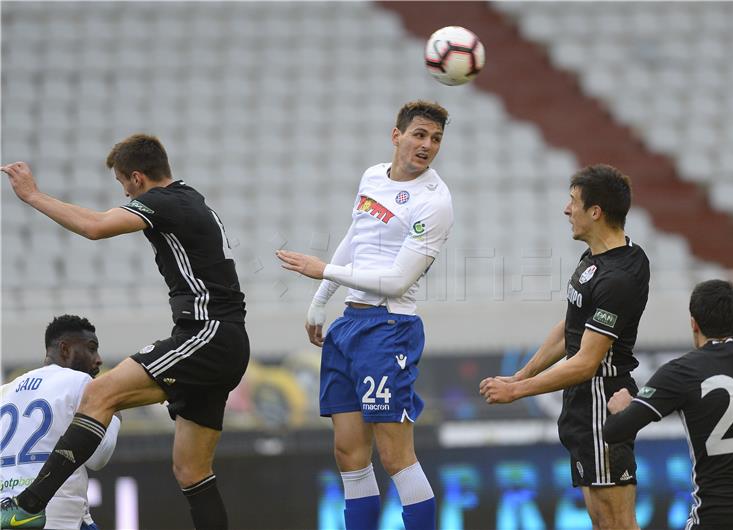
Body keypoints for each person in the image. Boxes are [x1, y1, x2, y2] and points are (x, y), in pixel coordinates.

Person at [1, 134, 249, 530]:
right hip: (224, 340)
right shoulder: (191, 199)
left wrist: (33, 196)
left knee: (98, 393)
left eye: (122, 184)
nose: (124, 193)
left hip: (206, 334)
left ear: (136, 178)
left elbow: (95, 226)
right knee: (191, 470)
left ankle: (27, 506)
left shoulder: (165, 201)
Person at [276, 100, 453, 530]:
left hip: (389, 328)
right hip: (348, 326)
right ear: (397, 136)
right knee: (348, 455)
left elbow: (395, 281)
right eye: (419, 134)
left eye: (435, 139)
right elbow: (356, 235)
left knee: (395, 456)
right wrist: (322, 298)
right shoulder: (373, 176)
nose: (426, 144)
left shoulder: (435, 201)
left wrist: (323, 269)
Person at [479, 164, 649, 530]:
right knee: (601, 518)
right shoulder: (598, 259)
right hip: (582, 404)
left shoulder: (618, 278)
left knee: (617, 521)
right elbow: (570, 326)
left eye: (573, 201)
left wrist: (517, 391)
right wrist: (522, 373)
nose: (566, 209)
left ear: (596, 212)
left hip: (602, 402)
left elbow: (586, 362)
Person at [604, 279, 733, 530]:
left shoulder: (680, 372)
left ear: (694, 323)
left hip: (718, 516)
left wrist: (621, 410)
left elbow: (615, 431)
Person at [0, 315, 119, 530]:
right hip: (60, 518)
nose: (99, 358)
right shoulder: (80, 382)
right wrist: (113, 411)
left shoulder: (4, 391)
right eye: (91, 349)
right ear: (65, 349)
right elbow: (98, 458)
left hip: (9, 516)